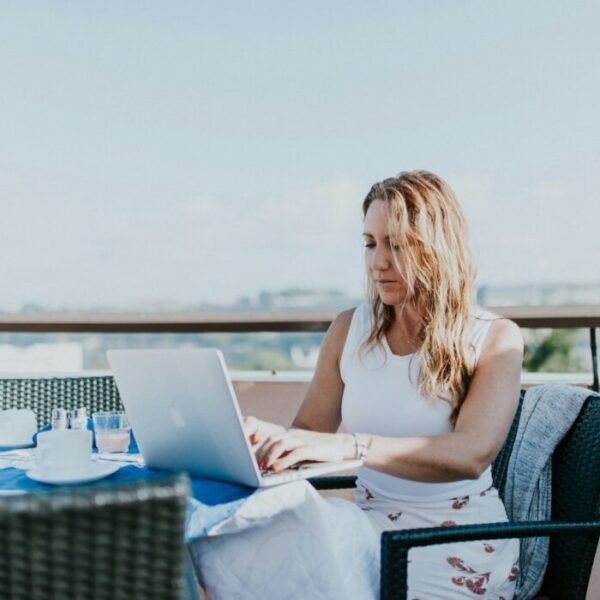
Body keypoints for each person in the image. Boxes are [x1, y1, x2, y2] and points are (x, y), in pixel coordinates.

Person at [242, 170, 522, 599]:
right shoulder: (348, 329)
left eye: (398, 244)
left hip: (457, 540)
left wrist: (353, 446)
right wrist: (271, 440)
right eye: (370, 243)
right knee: (248, 563)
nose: (378, 262)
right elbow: (312, 436)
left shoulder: (494, 338)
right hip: (368, 529)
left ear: (436, 249)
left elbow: (471, 454)